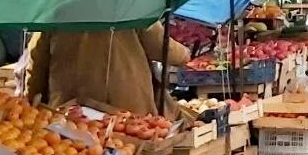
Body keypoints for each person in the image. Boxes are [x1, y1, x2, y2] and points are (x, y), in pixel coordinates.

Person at [27, 23, 190, 117]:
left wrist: (32, 102)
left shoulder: (57, 9)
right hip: (124, 109)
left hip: (68, 111)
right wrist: (185, 54)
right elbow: (162, 46)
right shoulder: (129, 4)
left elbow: (37, 64)